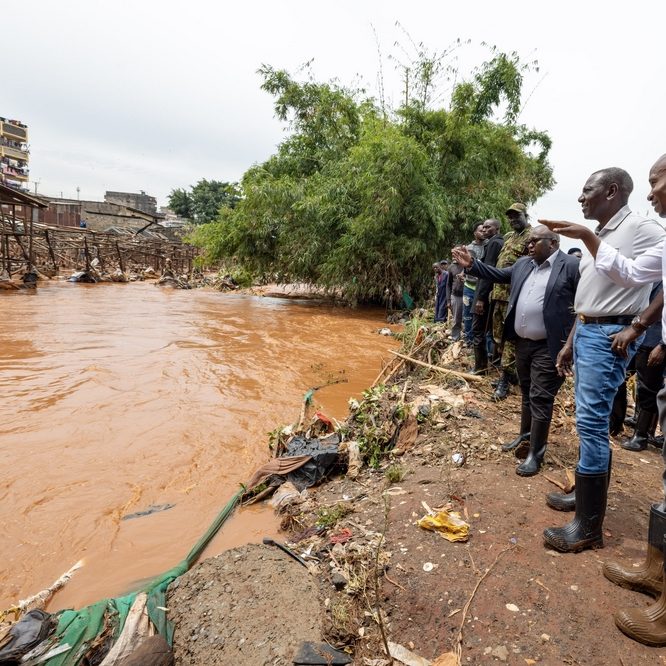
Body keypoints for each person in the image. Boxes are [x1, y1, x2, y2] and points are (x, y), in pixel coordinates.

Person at [541, 155, 666, 645]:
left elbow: (646, 283)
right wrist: (573, 337)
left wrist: (636, 327)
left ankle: (587, 525)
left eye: (588, 189)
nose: (581, 197)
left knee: (593, 427)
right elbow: (594, 290)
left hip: (610, 334)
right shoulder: (613, 230)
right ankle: (582, 497)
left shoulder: (640, 228)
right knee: (587, 424)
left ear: (612, 191)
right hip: (589, 330)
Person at [453, 226, 579, 476]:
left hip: (549, 345)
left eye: (535, 241)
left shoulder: (571, 266)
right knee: (526, 392)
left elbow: (583, 307)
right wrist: (471, 264)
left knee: (541, 397)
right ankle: (524, 437)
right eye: (528, 241)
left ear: (553, 243)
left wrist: (570, 345)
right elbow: (498, 274)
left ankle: (535, 454)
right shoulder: (524, 264)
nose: (529, 245)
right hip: (522, 342)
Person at [489, 203, 531, 400]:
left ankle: (505, 380)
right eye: (510, 217)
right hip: (499, 294)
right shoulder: (508, 237)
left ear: (525, 215)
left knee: (511, 340)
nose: (514, 219)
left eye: (517, 216)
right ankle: (509, 375)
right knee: (499, 338)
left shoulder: (532, 237)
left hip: (515, 297)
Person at [470, 219, 504, 374]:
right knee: (490, 331)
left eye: (488, 227)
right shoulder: (494, 243)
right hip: (491, 294)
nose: (484, 229)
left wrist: (480, 299)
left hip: (485, 294)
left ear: (497, 228)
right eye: (482, 226)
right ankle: (491, 365)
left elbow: (487, 272)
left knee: (478, 330)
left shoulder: (494, 244)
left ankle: (480, 367)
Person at [462, 223, 486, 344]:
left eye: (485, 230)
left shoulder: (489, 245)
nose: (484, 232)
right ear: (475, 233)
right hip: (469, 287)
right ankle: (468, 340)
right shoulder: (469, 248)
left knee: (481, 315)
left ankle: (479, 342)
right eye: (481, 230)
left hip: (482, 287)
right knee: (467, 315)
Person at [446, 258, 464, 341]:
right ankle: (455, 338)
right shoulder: (451, 267)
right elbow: (448, 285)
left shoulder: (466, 265)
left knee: (467, 319)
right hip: (456, 296)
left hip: (467, 294)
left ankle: (467, 340)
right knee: (456, 319)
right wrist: (448, 300)